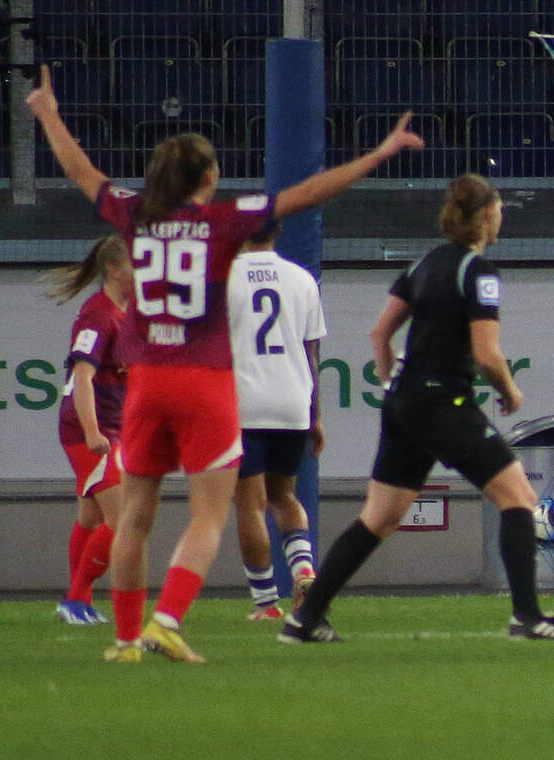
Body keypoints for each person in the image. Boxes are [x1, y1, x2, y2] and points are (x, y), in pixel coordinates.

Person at [26, 63, 422, 663]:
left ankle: (126, 640)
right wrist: (380, 152)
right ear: (210, 176)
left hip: (147, 383)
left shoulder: (133, 216)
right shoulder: (221, 222)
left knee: (134, 516)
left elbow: (83, 172)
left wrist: (48, 114)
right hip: (204, 382)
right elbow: (308, 194)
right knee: (211, 515)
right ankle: (167, 620)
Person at [278, 173, 554, 644]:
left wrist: (390, 382)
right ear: (486, 215)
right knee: (519, 500)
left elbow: (381, 333)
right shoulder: (478, 273)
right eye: (499, 207)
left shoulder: (423, 263)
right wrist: (509, 390)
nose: (501, 215)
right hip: (444, 401)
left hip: (403, 404)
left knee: (378, 517)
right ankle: (527, 616)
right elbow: (486, 355)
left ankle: (305, 618)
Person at [225, 225, 326, 622]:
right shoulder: (302, 279)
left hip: (243, 403)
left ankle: (266, 603)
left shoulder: (224, 278)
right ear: (277, 232)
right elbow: (312, 351)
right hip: (292, 403)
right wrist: (315, 414)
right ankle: (304, 571)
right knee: (285, 496)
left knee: (250, 504)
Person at [44, 234, 133, 626]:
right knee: (123, 519)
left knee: (91, 517)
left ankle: (77, 598)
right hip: (89, 432)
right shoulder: (99, 316)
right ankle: (75, 598)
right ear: (114, 270)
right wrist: (95, 432)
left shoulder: (127, 312)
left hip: (113, 427)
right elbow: (82, 376)